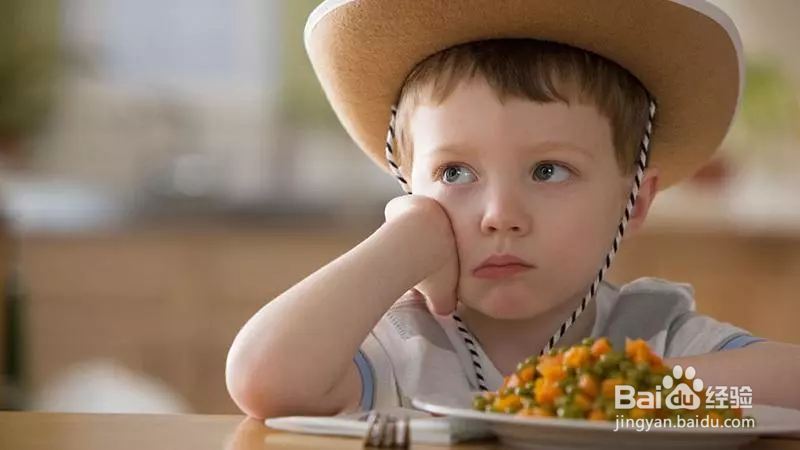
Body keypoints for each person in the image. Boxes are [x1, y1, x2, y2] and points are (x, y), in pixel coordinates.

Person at [226, 0, 800, 419]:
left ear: (635, 201)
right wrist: (407, 238)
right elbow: (262, 381)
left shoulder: (652, 333)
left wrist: (617, 390)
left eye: (548, 171)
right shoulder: (403, 343)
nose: (500, 214)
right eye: (454, 174)